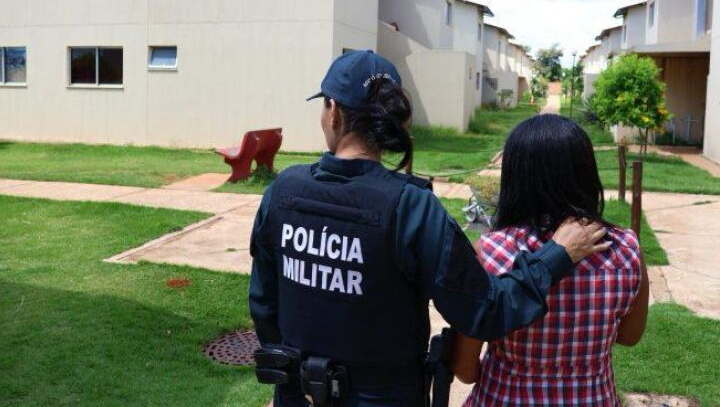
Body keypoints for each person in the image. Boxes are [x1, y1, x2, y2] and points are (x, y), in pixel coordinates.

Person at [248, 51, 610, 407]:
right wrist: (556, 255)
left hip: (299, 393)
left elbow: (264, 304)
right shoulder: (411, 207)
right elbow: (487, 310)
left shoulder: (282, 191)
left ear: (334, 111)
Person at [451, 114, 650, 407]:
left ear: (516, 176)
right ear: (585, 173)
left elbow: (465, 369)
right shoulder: (626, 248)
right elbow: (630, 336)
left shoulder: (491, 252)